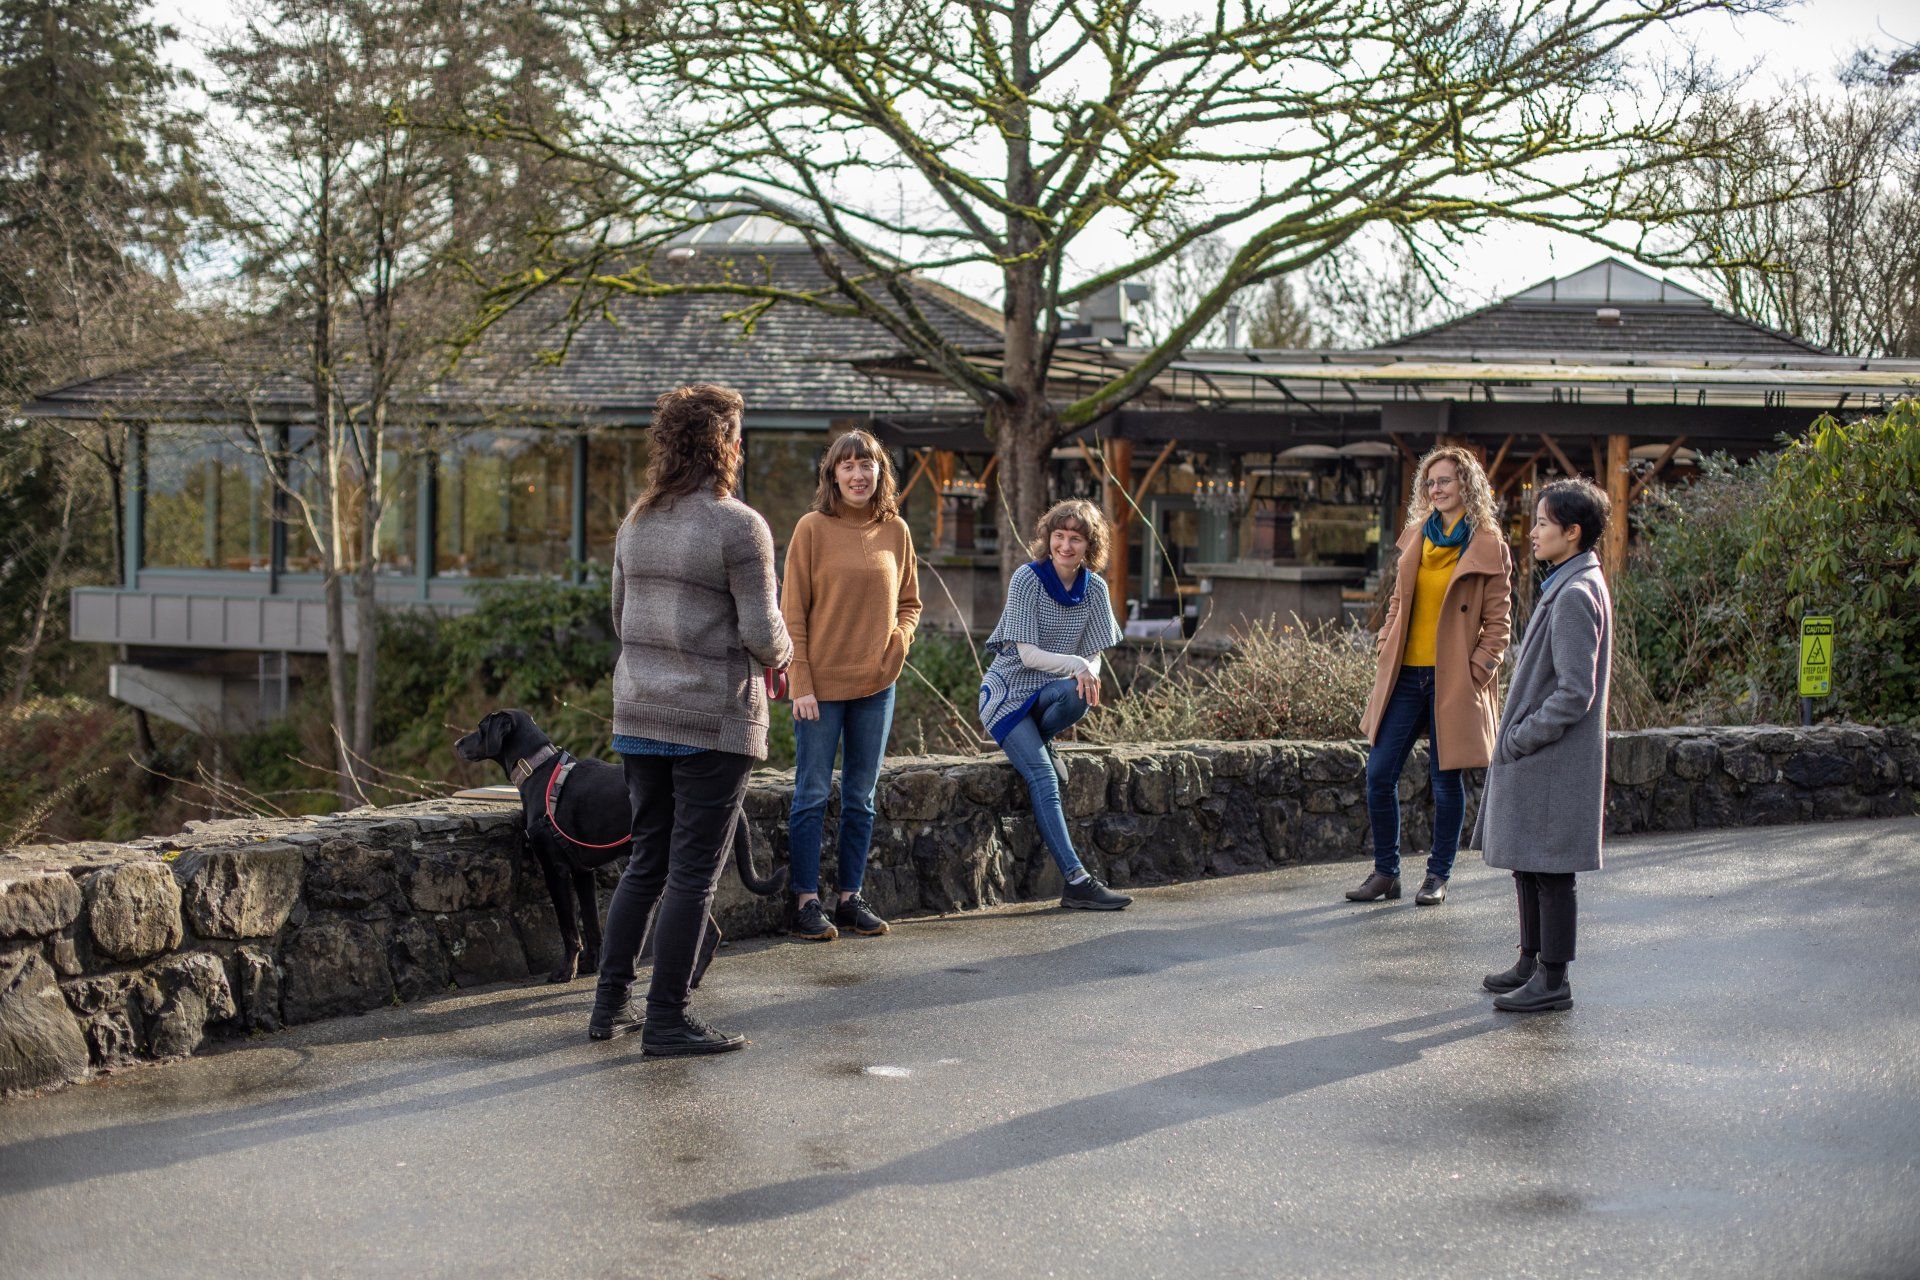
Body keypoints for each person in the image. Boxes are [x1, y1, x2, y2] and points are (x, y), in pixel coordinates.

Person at [589, 383, 793, 1056]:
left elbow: (620, 619)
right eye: (738, 433)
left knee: (645, 863)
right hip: (711, 718)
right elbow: (765, 635)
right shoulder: (739, 526)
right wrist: (786, 653)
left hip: (639, 709)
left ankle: (608, 1004)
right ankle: (667, 1019)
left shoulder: (637, 521)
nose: (742, 444)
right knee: (691, 874)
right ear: (722, 444)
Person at [1351, 445, 1512, 906]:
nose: (1436, 489)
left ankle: (1437, 876)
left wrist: (1476, 671)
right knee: (1379, 773)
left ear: (1467, 484)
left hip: (1453, 679)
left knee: (1445, 783)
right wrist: (1385, 641)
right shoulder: (1416, 535)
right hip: (1405, 674)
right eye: (1430, 482)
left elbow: (1499, 624)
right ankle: (1386, 873)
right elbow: (1398, 602)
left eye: (1445, 480)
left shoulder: (1487, 542)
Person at [1476, 478, 1614, 1013]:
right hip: (1543, 760)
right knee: (1530, 864)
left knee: (1552, 870)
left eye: (1542, 523)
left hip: (1552, 759)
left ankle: (1552, 980)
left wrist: (1519, 737)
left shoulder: (1576, 593)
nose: (1531, 532)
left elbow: (1575, 691)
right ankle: (1530, 961)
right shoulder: (1571, 580)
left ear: (1572, 532)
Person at [782, 429, 922, 942]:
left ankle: (849, 898)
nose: (859, 474)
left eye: (868, 465)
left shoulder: (896, 531)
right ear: (832, 474)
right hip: (817, 686)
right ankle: (804, 901)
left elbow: (911, 604)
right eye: (849, 466)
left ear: (881, 473)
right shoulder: (812, 529)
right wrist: (800, 683)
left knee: (862, 796)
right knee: (812, 793)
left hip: (876, 685)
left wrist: (898, 645)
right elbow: (791, 612)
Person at [978, 499, 1131, 910]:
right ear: (1048, 539)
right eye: (1059, 536)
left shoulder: (1094, 588)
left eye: (1075, 538)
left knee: (1079, 691)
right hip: (1009, 694)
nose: (1065, 545)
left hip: (1051, 692)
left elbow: (1095, 652)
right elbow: (1026, 655)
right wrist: (1079, 664)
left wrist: (1088, 670)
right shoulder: (1027, 579)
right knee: (1044, 778)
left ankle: (1040, 740)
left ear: (1088, 545)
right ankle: (1077, 881)